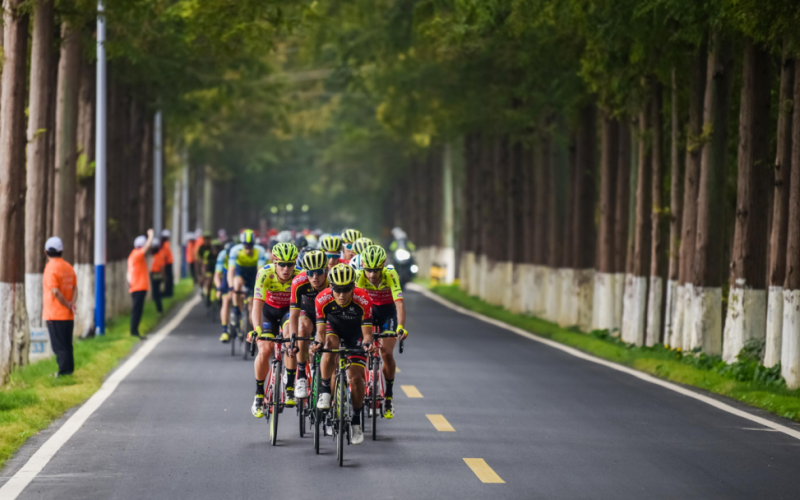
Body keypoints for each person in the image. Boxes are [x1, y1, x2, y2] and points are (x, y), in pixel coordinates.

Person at [312, 264, 375, 445]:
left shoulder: (363, 299)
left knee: (356, 379)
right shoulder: (322, 298)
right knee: (329, 344)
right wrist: (317, 342)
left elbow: (368, 333)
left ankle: (356, 420)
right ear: (330, 287)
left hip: (355, 332)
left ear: (353, 286)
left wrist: (368, 344)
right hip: (333, 328)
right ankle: (325, 389)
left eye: (346, 289)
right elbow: (320, 332)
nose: (341, 294)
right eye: (337, 289)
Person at [355, 245, 408, 419]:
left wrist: (400, 327)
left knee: (386, 353)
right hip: (368, 311)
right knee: (361, 347)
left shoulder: (391, 275)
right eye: (368, 270)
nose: (371, 274)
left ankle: (389, 397)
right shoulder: (359, 276)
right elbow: (354, 304)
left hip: (387, 313)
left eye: (376, 270)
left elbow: (399, 304)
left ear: (383, 265)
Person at [250, 243, 301, 417]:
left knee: (290, 339)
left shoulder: (300, 276)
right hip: (268, 312)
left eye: (290, 265)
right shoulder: (265, 273)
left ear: (295, 264)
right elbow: (257, 306)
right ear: (274, 262)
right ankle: (258, 395)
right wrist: (256, 329)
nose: (286, 269)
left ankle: (289, 389)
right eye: (281, 264)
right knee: (264, 349)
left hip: (289, 312)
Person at [287, 250, 330, 399]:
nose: (315, 277)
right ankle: (301, 376)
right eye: (311, 273)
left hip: (328, 314)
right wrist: (293, 339)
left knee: (331, 341)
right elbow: (293, 315)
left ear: (327, 270)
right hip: (308, 312)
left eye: (319, 272)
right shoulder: (298, 282)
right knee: (302, 327)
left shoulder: (334, 281)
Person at [43, 236, 77, 377]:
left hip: (55, 314)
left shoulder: (50, 268)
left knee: (59, 346)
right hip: (68, 315)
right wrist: (71, 304)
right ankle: (69, 371)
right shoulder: (69, 267)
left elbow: (55, 291)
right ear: (62, 251)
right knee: (67, 345)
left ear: (46, 252)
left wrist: (66, 304)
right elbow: (75, 288)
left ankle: (63, 373)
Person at [227, 230, 268, 331]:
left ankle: (249, 330)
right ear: (242, 245)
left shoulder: (260, 251)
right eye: (246, 247)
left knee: (251, 305)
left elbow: (260, 272)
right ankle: (236, 309)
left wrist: (259, 289)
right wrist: (231, 286)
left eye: (250, 246)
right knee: (237, 284)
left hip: (253, 274)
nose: (248, 250)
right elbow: (231, 271)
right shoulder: (235, 250)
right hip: (240, 272)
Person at [128, 229, 155, 339]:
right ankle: (134, 332)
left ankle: (135, 331)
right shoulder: (137, 255)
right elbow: (146, 248)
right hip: (138, 287)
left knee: (138, 311)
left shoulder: (134, 255)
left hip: (137, 287)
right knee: (136, 311)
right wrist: (151, 236)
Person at [216, 241, 234, 342]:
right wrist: (219, 288)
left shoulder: (238, 254)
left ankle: (241, 319)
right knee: (225, 301)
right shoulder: (222, 255)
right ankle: (224, 331)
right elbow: (217, 275)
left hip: (237, 274)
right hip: (226, 276)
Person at [149, 238, 165, 316]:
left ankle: (160, 310)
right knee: (155, 294)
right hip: (153, 274)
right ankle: (159, 310)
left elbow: (162, 267)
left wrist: (163, 277)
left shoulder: (159, 255)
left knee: (157, 294)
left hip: (157, 275)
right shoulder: (154, 255)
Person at [160, 229, 175, 298]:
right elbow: (165, 255)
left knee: (169, 278)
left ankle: (169, 292)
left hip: (167, 263)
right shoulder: (166, 244)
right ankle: (168, 292)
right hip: (167, 264)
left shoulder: (164, 244)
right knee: (169, 278)